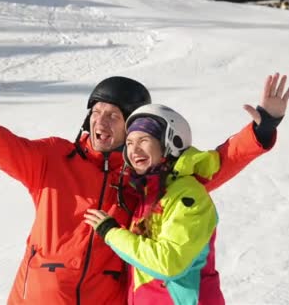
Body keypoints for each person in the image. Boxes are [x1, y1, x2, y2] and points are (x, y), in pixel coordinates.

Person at [0, 73, 289, 304]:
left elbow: (210, 166)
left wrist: (259, 133)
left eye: (113, 116)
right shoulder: (54, 157)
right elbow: (4, 147)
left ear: (133, 127)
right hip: (43, 295)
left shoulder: (144, 173)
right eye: (96, 111)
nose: (100, 121)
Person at [84, 104, 221, 305]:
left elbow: (169, 263)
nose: (134, 150)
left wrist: (112, 232)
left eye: (144, 140)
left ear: (169, 143)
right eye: (129, 143)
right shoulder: (149, 195)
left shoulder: (188, 196)